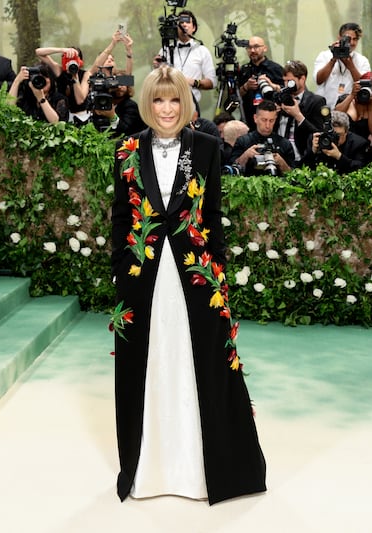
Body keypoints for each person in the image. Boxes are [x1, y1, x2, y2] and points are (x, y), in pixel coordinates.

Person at [110, 66, 266, 504]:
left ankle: (201, 473)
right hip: (143, 281)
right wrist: (121, 270)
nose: (165, 109)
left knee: (198, 362)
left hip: (194, 278)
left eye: (174, 100)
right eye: (158, 100)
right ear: (147, 103)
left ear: (185, 103)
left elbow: (211, 215)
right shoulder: (126, 151)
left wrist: (216, 271)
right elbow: (121, 219)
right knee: (150, 363)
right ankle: (151, 471)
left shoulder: (207, 148)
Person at [153, 9, 216, 103]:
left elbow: (212, 83)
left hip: (192, 105)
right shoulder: (165, 50)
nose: (184, 25)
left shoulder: (202, 51)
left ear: (194, 27)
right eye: (180, 22)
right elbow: (157, 82)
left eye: (187, 22)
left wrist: (193, 82)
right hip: (168, 104)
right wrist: (156, 68)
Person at [274, 59, 327, 163]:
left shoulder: (316, 101)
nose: (286, 84)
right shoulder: (278, 98)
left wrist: (298, 116)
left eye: (290, 81)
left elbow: (318, 133)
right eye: (284, 80)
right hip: (278, 154)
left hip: (302, 156)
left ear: (302, 79)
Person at [229, 100, 296, 176]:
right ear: (255, 118)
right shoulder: (243, 141)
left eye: (271, 120)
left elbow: (293, 176)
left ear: (276, 119)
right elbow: (231, 170)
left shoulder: (284, 144)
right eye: (264, 120)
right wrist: (246, 156)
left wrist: (281, 163)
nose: (267, 125)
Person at [313, 22, 370, 109]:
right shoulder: (324, 56)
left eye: (355, 39)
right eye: (348, 39)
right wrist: (333, 59)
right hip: (324, 108)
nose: (351, 42)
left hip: (349, 111)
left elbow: (364, 86)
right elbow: (319, 80)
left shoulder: (362, 61)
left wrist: (351, 67)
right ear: (339, 37)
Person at [236, 36, 284, 131]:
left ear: (265, 48)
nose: (252, 50)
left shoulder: (276, 69)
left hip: (272, 122)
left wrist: (272, 85)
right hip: (248, 120)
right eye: (249, 48)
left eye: (256, 47)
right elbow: (235, 96)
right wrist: (246, 87)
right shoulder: (243, 70)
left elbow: (286, 92)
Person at [303, 109, 369, 173]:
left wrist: (339, 156)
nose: (333, 138)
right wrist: (312, 152)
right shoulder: (317, 139)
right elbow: (303, 167)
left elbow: (361, 168)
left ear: (346, 132)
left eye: (338, 135)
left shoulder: (358, 143)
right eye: (330, 134)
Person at [89, 68, 145, 137]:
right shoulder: (104, 102)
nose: (119, 87)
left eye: (123, 83)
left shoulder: (131, 106)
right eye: (116, 83)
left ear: (128, 87)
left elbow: (126, 131)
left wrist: (112, 116)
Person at [335, 71, 372, 141]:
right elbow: (336, 115)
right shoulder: (346, 100)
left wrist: (371, 104)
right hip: (343, 143)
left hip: (363, 146)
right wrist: (352, 95)